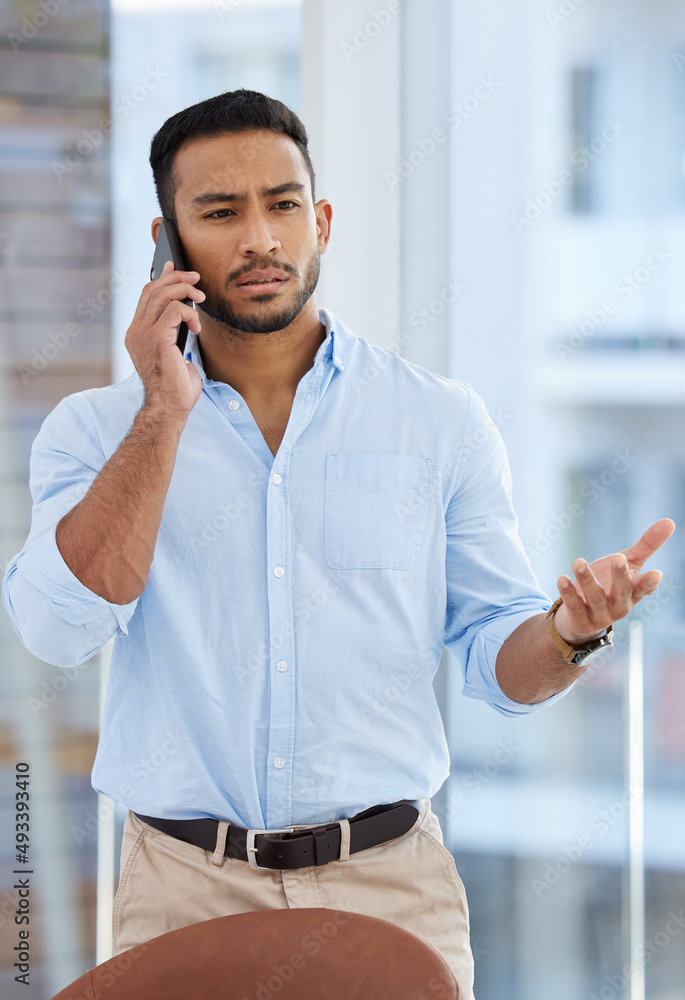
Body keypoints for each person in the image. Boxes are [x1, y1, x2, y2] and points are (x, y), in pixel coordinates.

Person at [2, 89, 674, 998]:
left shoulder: (437, 419)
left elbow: (497, 664)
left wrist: (567, 630)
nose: (260, 240)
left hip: (389, 888)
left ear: (319, 220)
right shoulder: (98, 432)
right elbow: (58, 630)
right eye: (220, 212)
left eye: (282, 205)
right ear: (168, 242)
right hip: (182, 890)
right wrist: (164, 412)